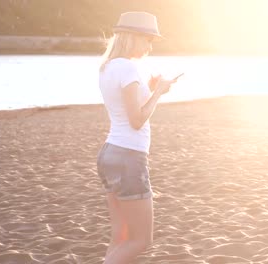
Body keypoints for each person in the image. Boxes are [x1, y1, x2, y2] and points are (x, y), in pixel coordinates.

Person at [97, 11, 178, 263]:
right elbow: (136, 120)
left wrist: (150, 89)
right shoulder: (129, 68)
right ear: (132, 37)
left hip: (111, 153)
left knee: (120, 236)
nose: (150, 46)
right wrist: (158, 94)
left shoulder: (108, 66)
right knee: (141, 239)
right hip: (128, 158)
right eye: (147, 39)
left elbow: (125, 109)